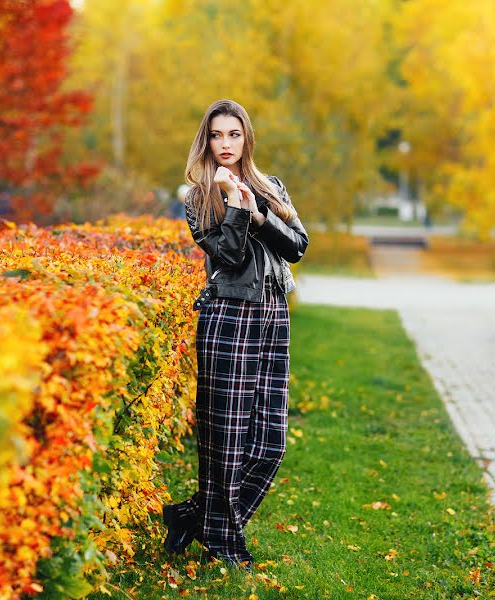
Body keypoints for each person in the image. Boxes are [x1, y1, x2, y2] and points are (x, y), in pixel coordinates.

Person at [162, 99, 309, 570]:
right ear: (206, 141)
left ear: (246, 139)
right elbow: (228, 257)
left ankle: (193, 517)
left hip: (273, 314)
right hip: (228, 316)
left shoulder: (272, 186)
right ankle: (224, 540)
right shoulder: (197, 200)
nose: (225, 145)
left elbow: (298, 246)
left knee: (270, 443)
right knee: (225, 440)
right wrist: (234, 207)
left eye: (234, 135)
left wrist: (258, 210)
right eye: (216, 136)